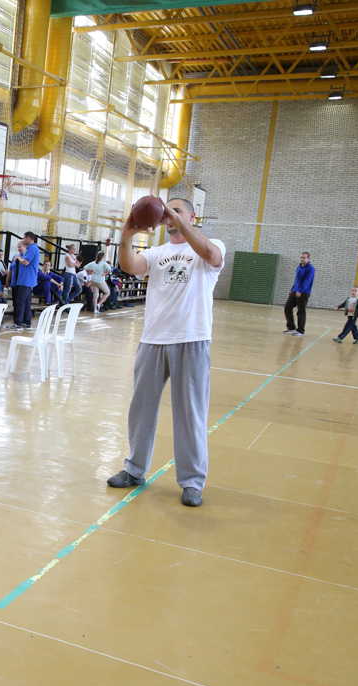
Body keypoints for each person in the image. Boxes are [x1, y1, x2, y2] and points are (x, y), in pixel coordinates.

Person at [106, 198, 225, 508]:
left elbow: (210, 255)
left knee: (190, 413)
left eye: (177, 210)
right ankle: (134, 469)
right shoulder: (156, 253)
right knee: (141, 409)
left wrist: (174, 216)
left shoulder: (210, 246)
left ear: (192, 216)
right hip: (153, 340)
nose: (170, 216)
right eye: (166, 211)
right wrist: (127, 234)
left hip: (192, 339)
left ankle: (192, 481)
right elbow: (129, 266)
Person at [11, 232, 41, 329]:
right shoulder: (29, 249)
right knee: (27, 302)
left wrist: (19, 258)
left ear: (28, 238)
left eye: (24, 238)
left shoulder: (33, 248)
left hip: (26, 280)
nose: (24, 240)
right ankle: (27, 322)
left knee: (20, 301)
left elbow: (26, 262)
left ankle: (18, 323)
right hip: (25, 279)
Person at [284, 251, 315, 336]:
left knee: (301, 311)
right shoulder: (299, 267)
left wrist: (300, 291)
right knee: (287, 307)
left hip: (303, 292)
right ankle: (291, 327)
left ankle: (301, 330)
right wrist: (292, 289)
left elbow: (307, 281)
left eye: (304, 257)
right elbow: (297, 280)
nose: (302, 259)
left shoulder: (311, 268)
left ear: (308, 258)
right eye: (301, 257)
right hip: (295, 290)